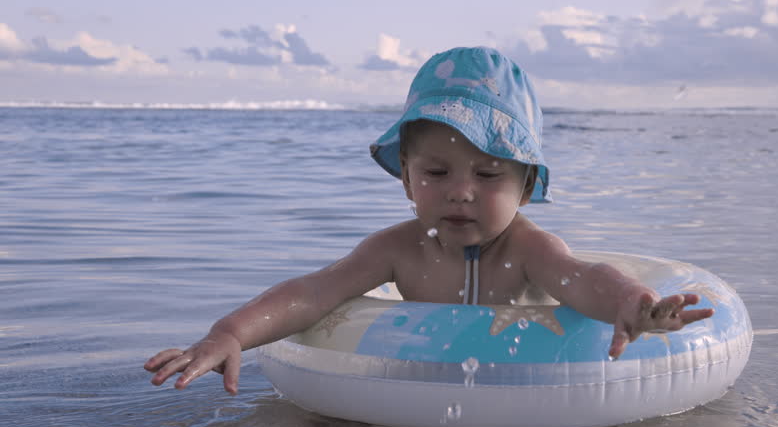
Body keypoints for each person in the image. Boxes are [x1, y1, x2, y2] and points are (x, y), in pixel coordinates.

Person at [145, 46, 714, 395]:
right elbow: (314, 293)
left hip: (526, 392)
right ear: (406, 179)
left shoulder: (531, 249)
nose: (461, 192)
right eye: (437, 172)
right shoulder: (397, 250)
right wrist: (229, 332)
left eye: (489, 176)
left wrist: (635, 304)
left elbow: (584, 278)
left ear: (527, 185)